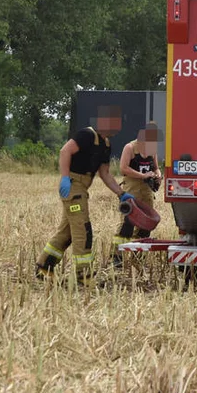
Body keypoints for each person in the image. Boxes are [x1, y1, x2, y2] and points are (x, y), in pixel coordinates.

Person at [37, 107, 134, 286]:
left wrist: (121, 193)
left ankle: (44, 267)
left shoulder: (106, 145)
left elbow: (105, 173)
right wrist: (65, 177)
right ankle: (83, 275)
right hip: (73, 188)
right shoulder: (86, 135)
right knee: (83, 230)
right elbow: (65, 151)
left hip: (83, 187)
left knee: (66, 232)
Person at [111, 122, 163, 266]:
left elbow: (156, 168)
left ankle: (137, 256)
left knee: (146, 224)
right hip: (132, 189)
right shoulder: (130, 148)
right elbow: (123, 168)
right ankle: (117, 257)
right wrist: (142, 175)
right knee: (128, 223)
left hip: (146, 191)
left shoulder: (152, 150)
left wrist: (158, 175)